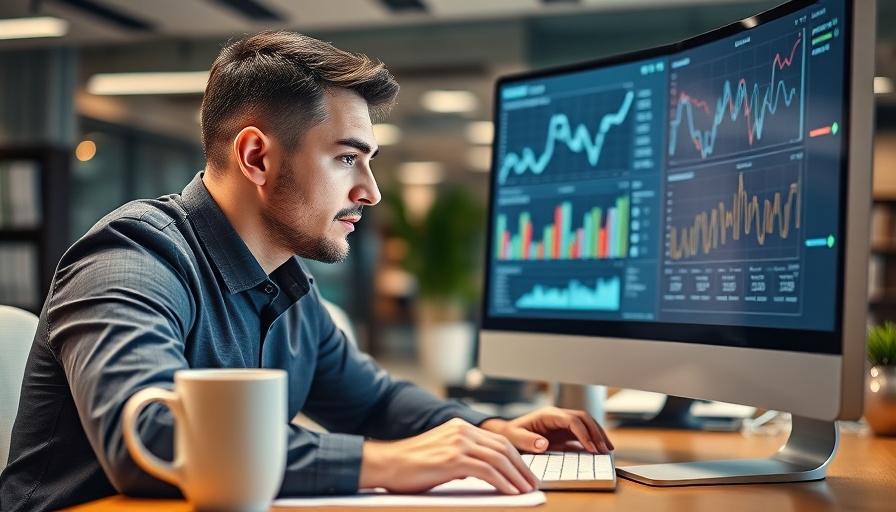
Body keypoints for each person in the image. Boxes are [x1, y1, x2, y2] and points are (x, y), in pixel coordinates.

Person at [0, 31, 613, 511]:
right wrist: (388, 465)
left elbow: (376, 402)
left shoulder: (289, 290)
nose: (370, 193)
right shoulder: (131, 258)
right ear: (257, 157)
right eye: (348, 159)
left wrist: (492, 428)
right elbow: (151, 440)